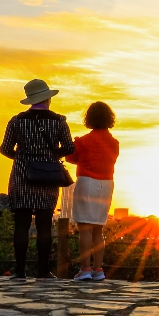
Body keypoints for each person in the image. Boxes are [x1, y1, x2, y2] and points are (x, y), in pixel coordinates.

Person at [0, 79, 75, 279]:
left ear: (30, 99)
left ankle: (20, 271)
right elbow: (69, 148)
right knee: (44, 224)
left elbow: (5, 149)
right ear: (48, 98)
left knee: (21, 224)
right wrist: (51, 156)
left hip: (22, 175)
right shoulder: (59, 122)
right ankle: (43, 271)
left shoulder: (16, 121)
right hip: (48, 176)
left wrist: (22, 157)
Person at [64, 101, 119, 281]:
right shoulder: (114, 143)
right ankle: (98, 269)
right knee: (98, 229)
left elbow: (70, 157)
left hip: (87, 182)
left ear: (89, 119)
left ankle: (85, 268)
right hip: (107, 184)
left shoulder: (84, 141)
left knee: (85, 229)